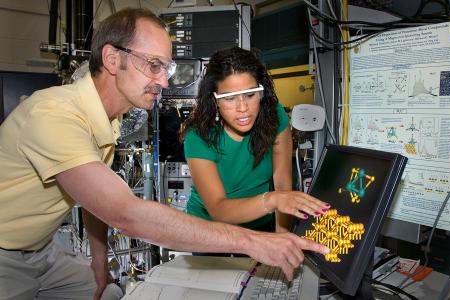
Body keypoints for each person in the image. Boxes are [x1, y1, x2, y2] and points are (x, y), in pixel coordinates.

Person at [0, 8, 329, 300]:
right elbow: (126, 214)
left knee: (111, 291)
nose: (163, 81)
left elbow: (91, 199)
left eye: (166, 68)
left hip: (44, 252)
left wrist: (99, 260)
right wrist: (255, 242)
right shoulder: (55, 115)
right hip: (5, 257)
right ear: (113, 59)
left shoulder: (104, 121)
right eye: (153, 65)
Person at [180, 47, 330, 239]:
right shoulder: (198, 136)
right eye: (230, 98)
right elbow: (219, 208)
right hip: (209, 231)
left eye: (250, 95)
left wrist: (282, 238)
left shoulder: (274, 115)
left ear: (261, 92)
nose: (243, 108)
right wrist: (273, 200)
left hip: (259, 225)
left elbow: (283, 185)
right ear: (214, 100)